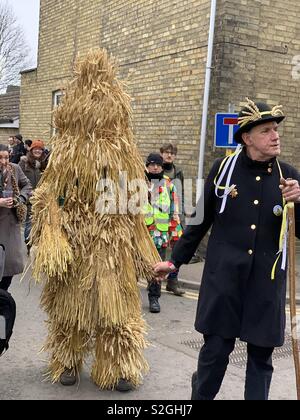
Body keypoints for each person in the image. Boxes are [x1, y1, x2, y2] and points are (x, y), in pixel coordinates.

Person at [154, 98, 300, 400]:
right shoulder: (223, 170)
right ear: (247, 138)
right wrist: (175, 262)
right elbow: (199, 220)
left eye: (276, 129)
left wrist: (299, 202)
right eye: (266, 130)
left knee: (261, 360)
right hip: (224, 283)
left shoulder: (289, 177)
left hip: (265, 285)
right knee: (215, 354)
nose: (275, 136)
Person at [145, 153, 184, 313]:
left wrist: (176, 233)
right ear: (146, 166)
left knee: (157, 268)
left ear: (162, 167)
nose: (155, 167)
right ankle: (129, 299)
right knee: (133, 268)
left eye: (158, 165)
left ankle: (154, 298)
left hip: (159, 235)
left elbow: (174, 210)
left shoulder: (169, 185)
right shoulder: (138, 183)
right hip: (140, 234)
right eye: (152, 164)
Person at [0, 144, 32, 291]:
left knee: (10, 264)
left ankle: (3, 294)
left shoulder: (15, 168)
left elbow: (27, 185)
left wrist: (20, 199)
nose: (4, 161)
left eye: (6, 157)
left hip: (11, 224)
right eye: (0, 157)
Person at [19, 140, 47, 251]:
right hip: (29, 198)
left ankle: (36, 243)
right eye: (35, 149)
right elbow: (17, 179)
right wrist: (24, 193)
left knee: (40, 222)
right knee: (29, 222)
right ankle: (28, 243)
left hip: (41, 199)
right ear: (31, 150)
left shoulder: (44, 164)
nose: (37, 151)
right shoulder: (24, 163)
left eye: (40, 149)